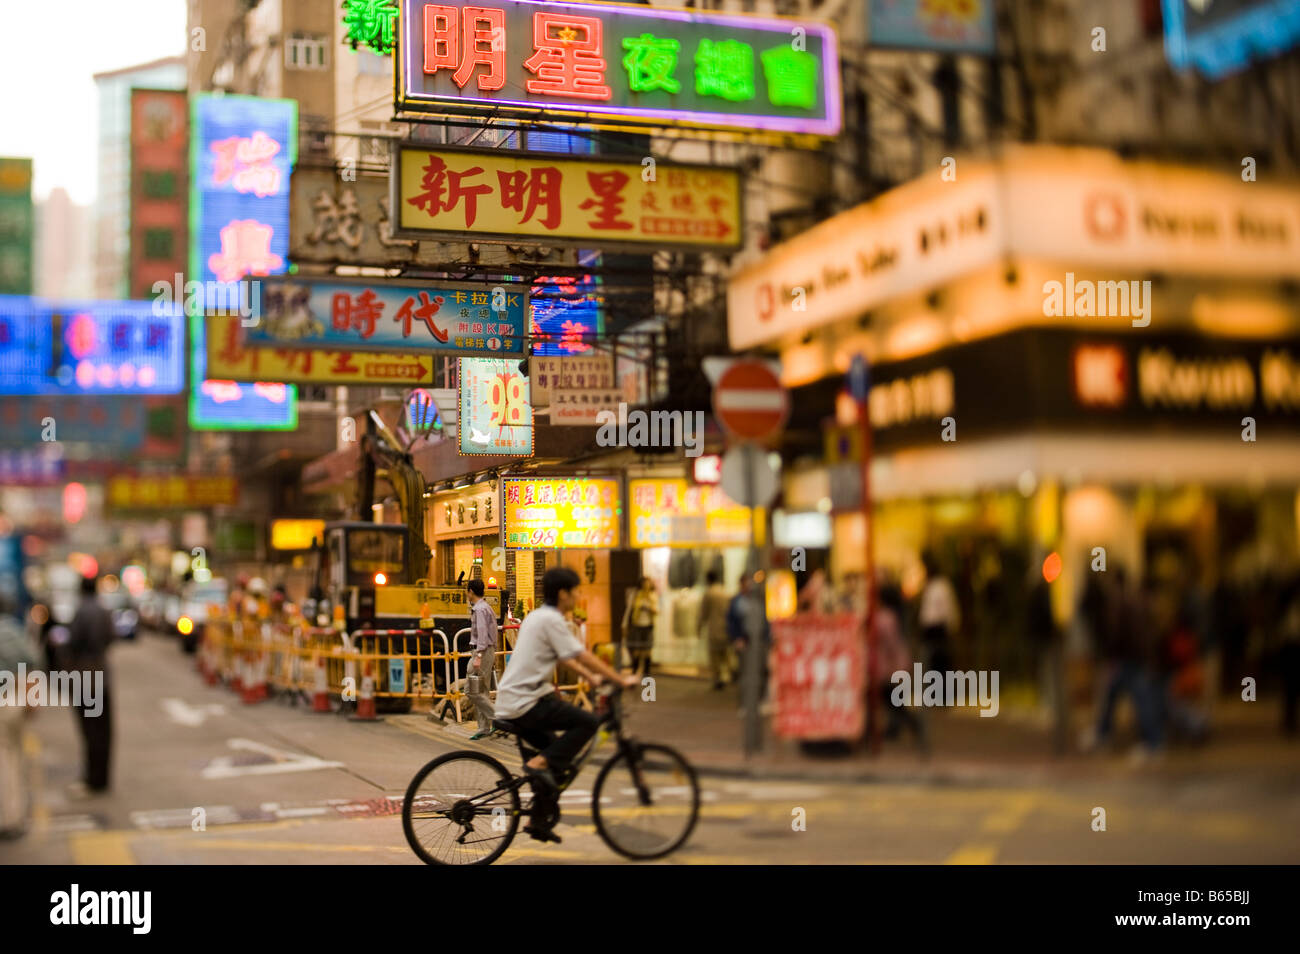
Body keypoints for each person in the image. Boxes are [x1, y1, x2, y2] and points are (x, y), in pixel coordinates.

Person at [493, 567, 637, 843]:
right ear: (563, 594)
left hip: (516, 700)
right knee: (588, 722)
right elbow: (580, 654)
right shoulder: (552, 620)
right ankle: (538, 763)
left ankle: (538, 821)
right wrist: (619, 679)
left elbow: (564, 657)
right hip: (527, 703)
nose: (578, 596)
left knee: (556, 765)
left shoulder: (537, 616)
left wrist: (591, 679)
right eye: (576, 591)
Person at [66, 574, 116, 795]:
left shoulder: (81, 611)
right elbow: (111, 637)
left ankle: (92, 780)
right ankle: (102, 779)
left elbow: (73, 642)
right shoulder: (104, 610)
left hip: (84, 676)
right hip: (101, 674)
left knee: (90, 730)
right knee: (104, 730)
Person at [0, 605, 40, 837]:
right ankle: (16, 812)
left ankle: (9, 820)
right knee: (15, 756)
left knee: (4, 761)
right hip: (15, 701)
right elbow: (30, 665)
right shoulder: (14, 631)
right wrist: (32, 702)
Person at [465, 579, 498, 741]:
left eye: (467, 591)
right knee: (481, 690)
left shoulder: (479, 610)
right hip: (486, 651)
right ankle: (484, 728)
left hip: (481, 652)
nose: (467, 594)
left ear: (471, 591)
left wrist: (478, 656)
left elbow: (483, 635)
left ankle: (498, 718)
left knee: (470, 690)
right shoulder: (486, 607)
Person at [918, 551, 959, 675]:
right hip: (931, 631)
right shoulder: (931, 586)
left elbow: (949, 610)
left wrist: (951, 626)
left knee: (941, 666)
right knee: (933, 666)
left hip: (939, 630)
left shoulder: (941, 586)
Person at [699, 571, 732, 689]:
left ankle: (718, 679)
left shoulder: (709, 594)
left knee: (714, 657)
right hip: (726, 628)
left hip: (714, 629)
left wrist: (698, 628)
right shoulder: (725, 592)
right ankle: (730, 676)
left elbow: (703, 614)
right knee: (726, 655)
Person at [623, 577, 658, 677]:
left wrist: (649, 607)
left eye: (648, 583)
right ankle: (635, 670)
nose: (646, 586)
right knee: (637, 649)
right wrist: (624, 624)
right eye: (644, 584)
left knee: (647, 649)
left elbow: (656, 610)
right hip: (637, 625)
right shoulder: (635, 595)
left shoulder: (653, 596)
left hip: (649, 625)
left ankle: (646, 672)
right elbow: (629, 610)